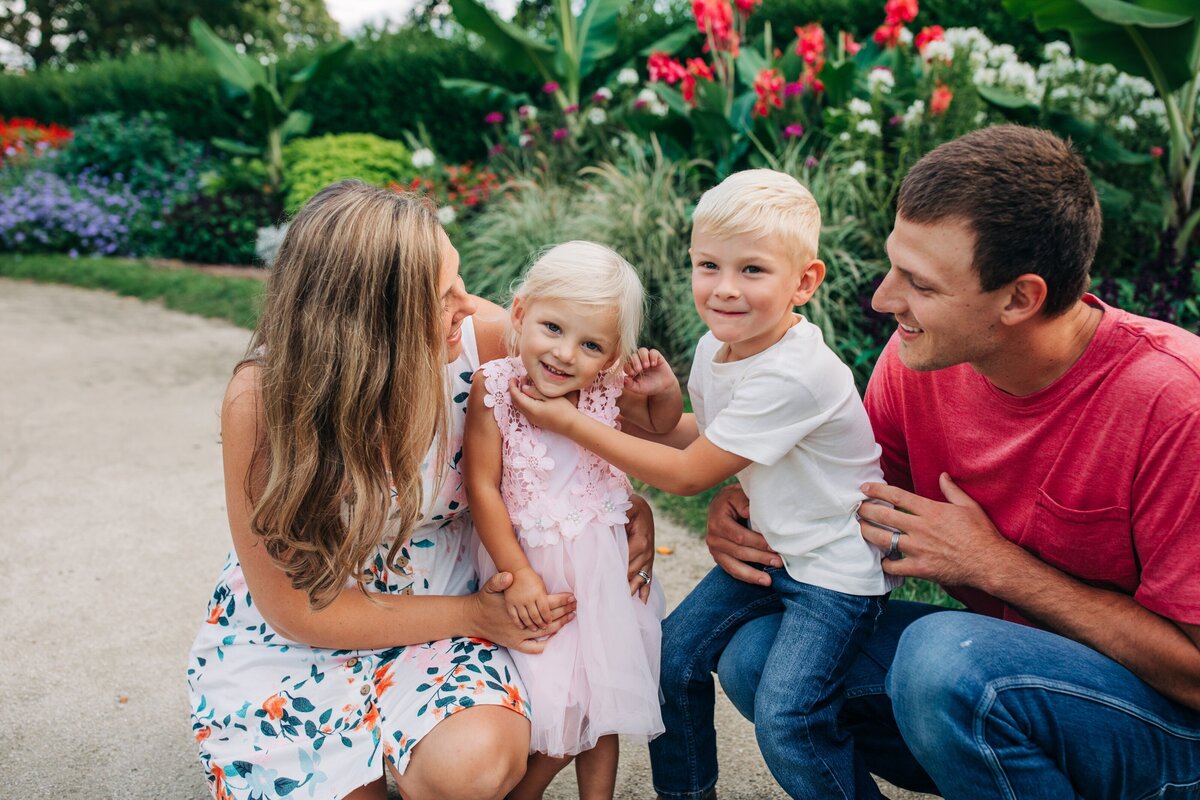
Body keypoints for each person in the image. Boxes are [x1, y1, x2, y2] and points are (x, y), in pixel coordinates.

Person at [708, 126, 1200, 799]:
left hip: (1169, 734)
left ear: (1019, 299)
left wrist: (995, 566)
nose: (884, 299)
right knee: (762, 658)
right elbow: (849, 511)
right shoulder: (919, 362)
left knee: (945, 662)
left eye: (920, 283)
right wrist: (748, 502)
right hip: (1016, 694)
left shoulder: (1176, 405)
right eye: (894, 266)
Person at [185, 182, 658, 800]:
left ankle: (422, 758)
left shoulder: (485, 340)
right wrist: (476, 615)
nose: (470, 304)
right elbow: (296, 609)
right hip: (310, 632)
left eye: (459, 280)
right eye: (445, 295)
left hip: (443, 613)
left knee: (474, 768)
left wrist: (629, 504)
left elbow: (615, 426)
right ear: (372, 323)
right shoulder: (263, 399)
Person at [509, 171, 901, 800]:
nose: (723, 289)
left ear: (804, 281)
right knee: (672, 661)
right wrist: (662, 405)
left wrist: (570, 423)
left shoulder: (797, 373)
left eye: (752, 271)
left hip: (833, 571)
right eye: (708, 265)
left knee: (788, 718)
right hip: (772, 551)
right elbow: (701, 438)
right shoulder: (721, 346)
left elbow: (689, 476)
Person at [465, 241, 679, 799]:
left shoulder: (604, 390)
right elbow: (483, 490)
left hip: (601, 573)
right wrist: (519, 575)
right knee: (557, 710)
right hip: (536, 569)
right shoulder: (495, 389)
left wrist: (664, 392)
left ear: (609, 356)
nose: (564, 354)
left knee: (599, 703)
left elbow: (660, 424)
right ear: (520, 314)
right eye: (553, 328)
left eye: (589, 344)